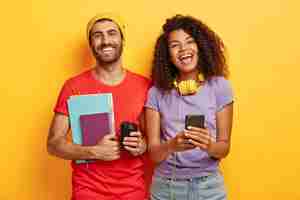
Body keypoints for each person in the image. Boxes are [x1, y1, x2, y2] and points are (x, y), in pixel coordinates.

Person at [47, 13, 151, 200]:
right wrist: (93, 151)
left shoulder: (145, 86)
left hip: (133, 192)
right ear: (91, 44)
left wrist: (141, 145)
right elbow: (54, 144)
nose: (105, 41)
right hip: (87, 192)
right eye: (97, 35)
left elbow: (155, 140)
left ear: (122, 39)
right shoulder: (73, 86)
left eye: (112, 33)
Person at [145, 15, 234, 200]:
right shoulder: (156, 93)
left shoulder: (220, 86)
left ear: (200, 46)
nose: (183, 49)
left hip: (208, 187)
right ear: (167, 55)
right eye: (175, 45)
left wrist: (209, 145)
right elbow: (153, 153)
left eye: (189, 41)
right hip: (166, 188)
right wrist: (171, 146)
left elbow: (224, 148)